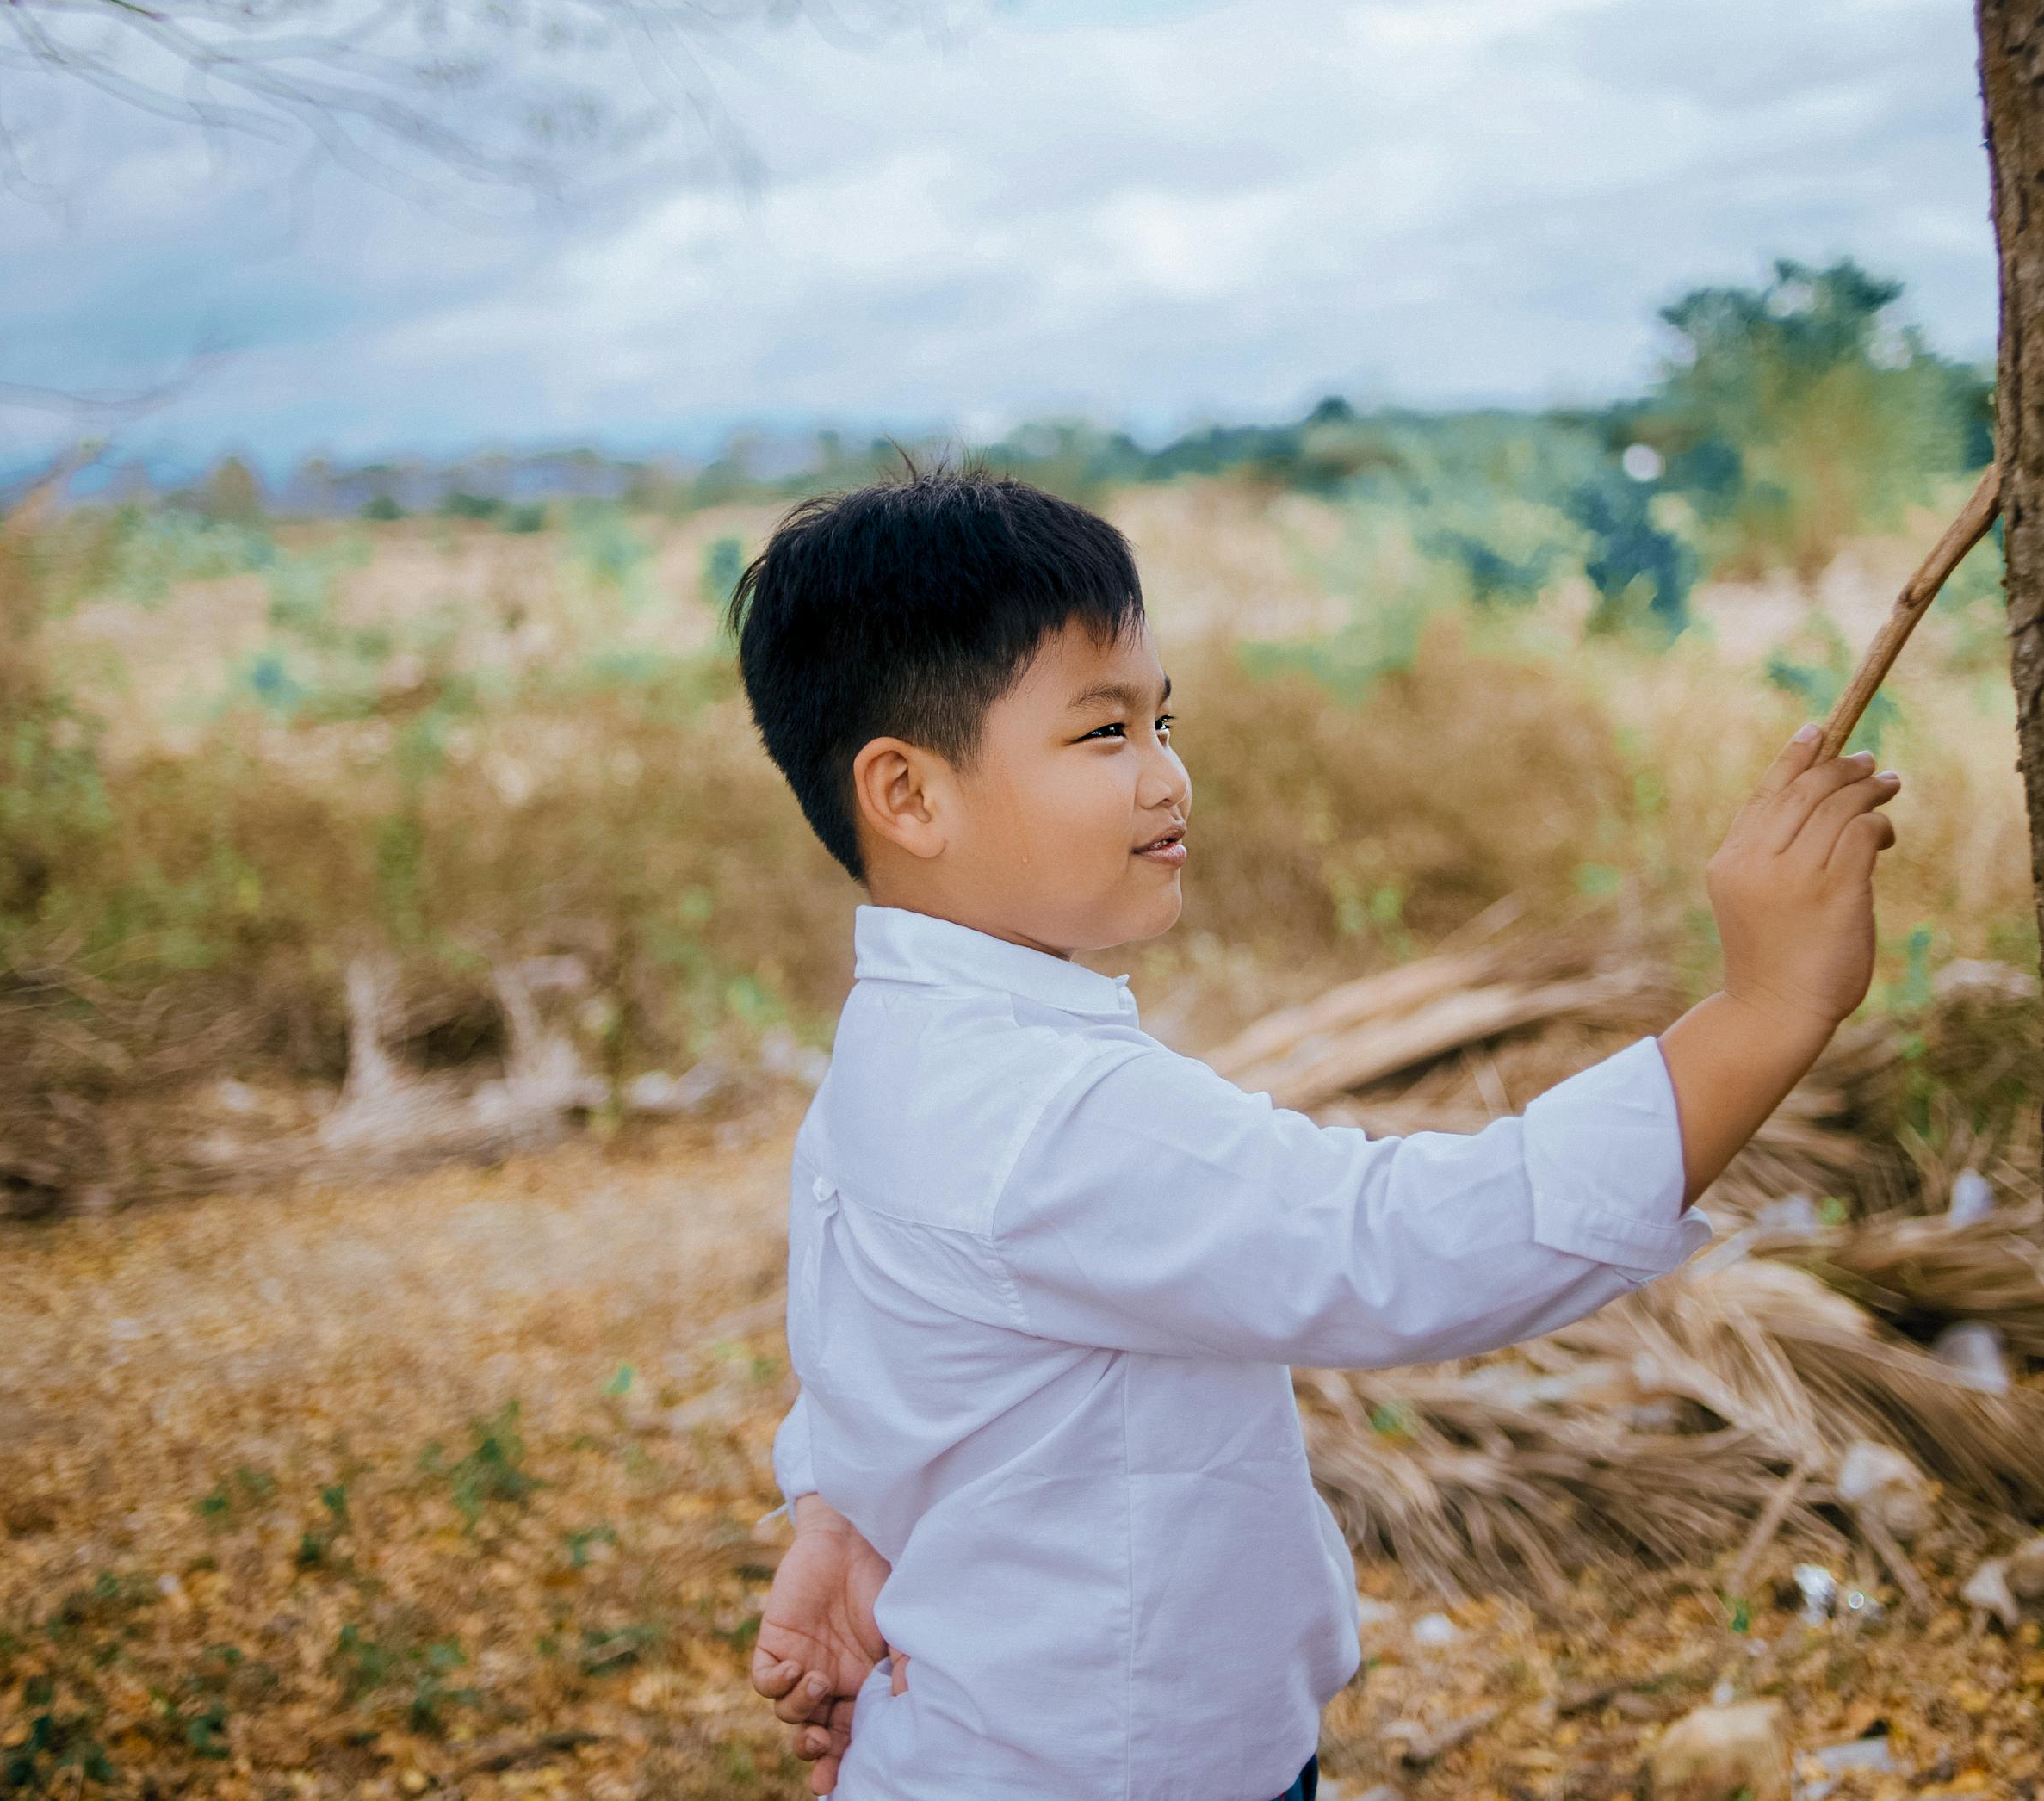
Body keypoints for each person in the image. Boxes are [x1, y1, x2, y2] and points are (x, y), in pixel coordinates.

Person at [729, 467, 1900, 1798]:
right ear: (911, 797)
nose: (1171, 777)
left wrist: (834, 1511)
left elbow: (860, 1329)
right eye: (1102, 733)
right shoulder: (1052, 1115)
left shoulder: (898, 1053)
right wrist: (1764, 1010)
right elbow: (1397, 1245)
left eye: (1163, 720)